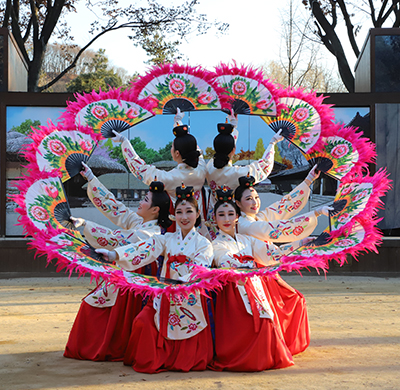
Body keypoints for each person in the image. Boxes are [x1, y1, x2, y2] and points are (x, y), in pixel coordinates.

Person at [97, 184, 214, 373]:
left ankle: (175, 358)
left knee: (186, 327)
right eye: (180, 212)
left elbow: (201, 268)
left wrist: (184, 281)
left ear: (198, 213)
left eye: (189, 212)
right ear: (173, 216)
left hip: (189, 296)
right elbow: (143, 249)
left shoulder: (204, 243)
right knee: (142, 322)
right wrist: (114, 255)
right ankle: (157, 358)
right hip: (164, 294)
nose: (184, 217)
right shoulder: (165, 239)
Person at [64, 179, 172, 362]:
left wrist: (85, 224)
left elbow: (115, 240)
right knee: (95, 303)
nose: (140, 201)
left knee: (96, 307)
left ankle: (106, 346)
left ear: (155, 210)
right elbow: (116, 208)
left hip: (135, 280)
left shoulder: (150, 233)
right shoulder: (140, 222)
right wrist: (91, 178)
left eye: (145, 199)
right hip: (125, 273)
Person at [234, 174, 333, 355]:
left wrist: (309, 179)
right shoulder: (245, 224)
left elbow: (283, 206)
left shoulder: (255, 218)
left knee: (293, 301)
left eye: (256, 197)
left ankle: (280, 344)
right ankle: (273, 347)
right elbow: (276, 229)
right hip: (253, 274)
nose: (255, 202)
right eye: (248, 199)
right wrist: (315, 215)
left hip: (265, 270)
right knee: (286, 304)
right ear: (238, 204)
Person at [209, 188, 298, 371]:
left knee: (267, 322)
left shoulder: (246, 240)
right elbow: (224, 259)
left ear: (237, 217)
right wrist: (242, 267)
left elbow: (272, 253)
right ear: (214, 219)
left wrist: (302, 244)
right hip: (233, 292)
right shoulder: (215, 243)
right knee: (253, 326)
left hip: (254, 286)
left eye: (230, 214)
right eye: (221, 215)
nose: (226, 219)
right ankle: (246, 359)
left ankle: (264, 358)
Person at [112, 109, 208, 237]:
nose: (171, 149)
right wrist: (178, 123)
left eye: (172, 147)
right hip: (197, 224)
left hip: (178, 227)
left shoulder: (169, 178)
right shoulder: (201, 168)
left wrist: (124, 141)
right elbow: (193, 147)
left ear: (177, 154)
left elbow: (140, 169)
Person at [205, 113, 283, 239]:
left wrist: (233, 128)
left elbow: (225, 148)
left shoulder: (209, 167)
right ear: (234, 150)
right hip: (232, 218)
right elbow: (265, 166)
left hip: (214, 216)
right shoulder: (238, 173)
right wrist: (272, 143)